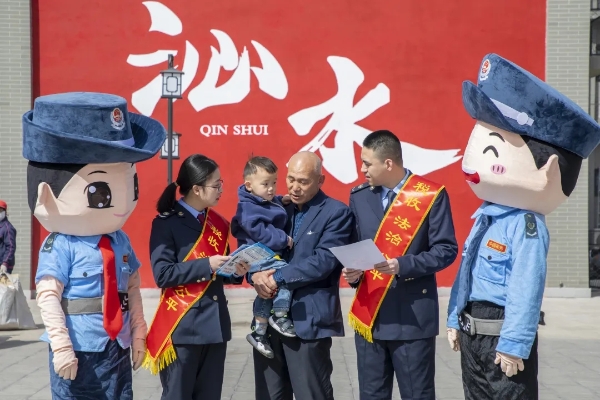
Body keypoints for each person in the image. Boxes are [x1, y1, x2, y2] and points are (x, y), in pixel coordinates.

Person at [447, 53, 600, 400]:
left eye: (490, 150)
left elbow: (526, 286)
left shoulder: (525, 225)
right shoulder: (485, 217)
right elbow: (466, 273)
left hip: (501, 340)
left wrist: (515, 343)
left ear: (547, 170)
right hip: (472, 336)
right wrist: (455, 318)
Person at [24, 92, 165, 399]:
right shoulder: (60, 245)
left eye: (131, 186)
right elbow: (48, 296)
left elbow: (132, 288)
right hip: (79, 346)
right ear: (46, 193)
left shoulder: (119, 239)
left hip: (118, 345)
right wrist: (61, 346)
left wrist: (138, 333)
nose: (122, 203)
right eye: (100, 192)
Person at [342, 129, 458, 400]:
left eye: (367, 163)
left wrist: (402, 265)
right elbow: (355, 245)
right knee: (371, 394)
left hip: (411, 318)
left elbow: (445, 250)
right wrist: (352, 273)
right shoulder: (360, 196)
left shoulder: (430, 195)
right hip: (371, 316)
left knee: (417, 394)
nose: (362, 169)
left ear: (388, 163)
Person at [144, 153, 250, 400]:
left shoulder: (217, 223)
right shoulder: (166, 223)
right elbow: (163, 274)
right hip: (184, 327)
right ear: (197, 189)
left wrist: (235, 271)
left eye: (221, 183)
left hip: (216, 327)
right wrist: (207, 265)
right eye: (216, 185)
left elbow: (218, 273)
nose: (221, 190)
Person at [250, 151, 354, 400]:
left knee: (312, 393)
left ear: (320, 180)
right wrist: (255, 275)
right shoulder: (275, 208)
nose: (295, 187)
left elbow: (323, 261)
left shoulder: (336, 213)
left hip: (308, 321)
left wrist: (276, 277)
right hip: (267, 322)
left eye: (303, 181)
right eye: (291, 179)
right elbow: (254, 245)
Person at [230, 156, 296, 359]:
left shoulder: (261, 200)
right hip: (258, 254)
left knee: (266, 292)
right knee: (284, 275)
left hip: (263, 255)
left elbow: (269, 205)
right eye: (265, 184)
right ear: (249, 185)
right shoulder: (247, 208)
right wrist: (283, 239)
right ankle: (280, 315)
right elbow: (261, 232)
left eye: (274, 182)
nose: (271, 188)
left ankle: (259, 332)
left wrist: (281, 200)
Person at [0, 200, 16, 274]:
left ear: (5, 212)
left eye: (0, 210)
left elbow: (10, 247)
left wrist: (5, 263)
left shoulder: (8, 228)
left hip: (3, 266)